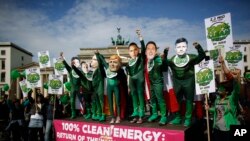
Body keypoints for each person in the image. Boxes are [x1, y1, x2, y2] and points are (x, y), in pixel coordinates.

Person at [163, 38, 205, 127]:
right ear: (175, 49)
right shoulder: (172, 59)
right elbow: (165, 63)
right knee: (176, 100)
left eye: (183, 46)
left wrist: (198, 47)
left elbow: (202, 56)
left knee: (189, 100)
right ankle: (177, 118)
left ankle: (188, 119)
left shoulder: (191, 57)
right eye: (178, 47)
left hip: (189, 80)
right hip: (177, 81)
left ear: (186, 48)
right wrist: (165, 53)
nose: (181, 48)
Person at [205, 56, 240, 141]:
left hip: (228, 130)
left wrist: (223, 63)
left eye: (222, 88)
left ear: (227, 91)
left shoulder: (232, 99)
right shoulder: (217, 99)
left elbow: (236, 87)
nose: (219, 90)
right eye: (219, 88)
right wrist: (209, 109)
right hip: (217, 128)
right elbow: (217, 110)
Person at [95, 51, 128, 124]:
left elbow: (123, 79)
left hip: (116, 87)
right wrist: (98, 54)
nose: (112, 64)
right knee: (110, 102)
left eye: (115, 62)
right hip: (109, 88)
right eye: (111, 62)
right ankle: (113, 117)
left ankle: (118, 116)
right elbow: (103, 61)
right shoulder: (107, 68)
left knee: (118, 102)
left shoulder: (120, 71)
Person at [73, 56, 106, 121]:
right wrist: (74, 67)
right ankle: (90, 113)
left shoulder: (91, 72)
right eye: (84, 67)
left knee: (96, 102)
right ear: (81, 68)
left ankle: (97, 113)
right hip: (86, 91)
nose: (86, 68)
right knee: (87, 102)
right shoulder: (82, 74)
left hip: (94, 90)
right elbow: (79, 73)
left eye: (86, 67)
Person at [144, 39, 168, 126]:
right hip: (151, 83)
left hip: (158, 82)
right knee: (152, 99)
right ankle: (154, 114)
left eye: (152, 48)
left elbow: (163, 66)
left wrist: (164, 56)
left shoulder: (157, 59)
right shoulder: (147, 61)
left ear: (156, 50)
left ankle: (163, 116)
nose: (150, 50)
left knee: (160, 99)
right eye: (148, 49)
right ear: (146, 51)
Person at [126, 29, 146, 124]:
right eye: (131, 51)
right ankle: (136, 114)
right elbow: (129, 74)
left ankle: (141, 115)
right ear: (128, 52)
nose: (133, 52)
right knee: (134, 97)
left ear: (137, 51)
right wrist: (128, 86)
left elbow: (143, 47)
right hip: (132, 82)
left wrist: (140, 37)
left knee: (140, 96)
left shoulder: (140, 58)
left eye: (135, 50)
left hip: (139, 80)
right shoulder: (129, 62)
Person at [60, 52, 82, 119]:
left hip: (79, 88)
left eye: (77, 62)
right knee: (72, 101)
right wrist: (63, 59)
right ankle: (73, 113)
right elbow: (66, 65)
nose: (75, 63)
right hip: (73, 88)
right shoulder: (71, 70)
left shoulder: (80, 71)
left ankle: (84, 112)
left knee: (82, 100)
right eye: (74, 62)